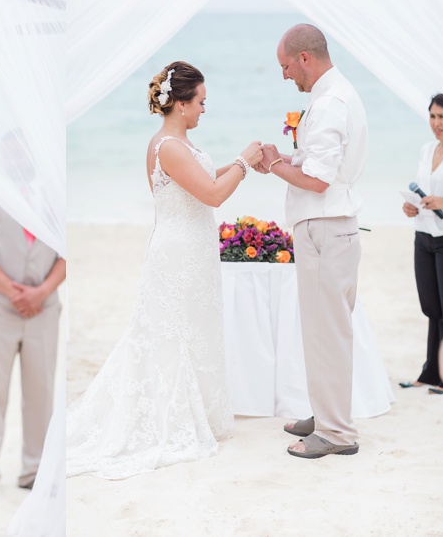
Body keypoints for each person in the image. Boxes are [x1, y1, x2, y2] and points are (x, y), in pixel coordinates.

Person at [65, 61, 263, 479]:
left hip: (191, 249)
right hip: (178, 253)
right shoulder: (169, 147)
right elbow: (211, 195)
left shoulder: (176, 145)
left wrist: (240, 163)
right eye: (201, 102)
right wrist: (244, 164)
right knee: (170, 333)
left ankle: (199, 413)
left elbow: (205, 178)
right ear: (180, 103)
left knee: (190, 329)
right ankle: (170, 418)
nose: (205, 110)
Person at [259, 24, 368, 458]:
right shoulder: (333, 95)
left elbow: (319, 181)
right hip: (331, 227)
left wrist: (273, 166)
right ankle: (325, 416)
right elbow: (321, 163)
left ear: (305, 58)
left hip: (326, 226)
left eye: (286, 66)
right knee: (324, 331)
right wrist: (288, 157)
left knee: (328, 335)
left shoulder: (329, 103)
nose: (285, 75)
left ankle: (337, 434)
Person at [0, 194, 66, 501]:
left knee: (40, 390)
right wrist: (14, 293)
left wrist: (41, 292)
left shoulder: (55, 197)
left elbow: (66, 254)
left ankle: (34, 469)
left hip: (44, 309)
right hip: (0, 307)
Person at [400, 93, 443, 395]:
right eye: (432, 116)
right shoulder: (426, 149)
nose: (436, 123)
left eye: (442, 117)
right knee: (431, 307)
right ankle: (430, 372)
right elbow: (422, 190)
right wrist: (411, 208)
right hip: (423, 236)